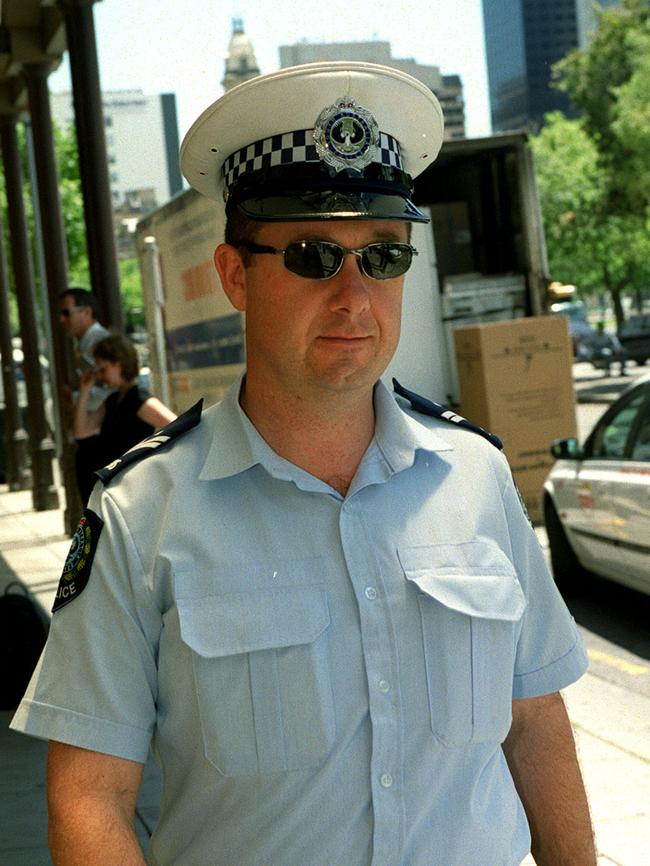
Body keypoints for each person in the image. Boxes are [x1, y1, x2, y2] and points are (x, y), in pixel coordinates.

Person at [12, 62, 596, 866]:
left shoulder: (475, 477)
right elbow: (89, 798)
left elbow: (533, 723)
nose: (355, 295)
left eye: (383, 257)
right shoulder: (139, 514)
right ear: (234, 275)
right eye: (314, 256)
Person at [73, 334, 177, 503]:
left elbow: (178, 426)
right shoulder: (113, 400)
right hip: (114, 487)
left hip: (130, 488)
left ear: (118, 364)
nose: (99, 375)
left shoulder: (140, 400)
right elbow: (81, 432)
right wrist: (84, 390)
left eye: (103, 369)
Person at [58, 288, 112, 501]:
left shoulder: (98, 341)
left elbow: (107, 390)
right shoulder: (88, 342)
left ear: (86, 312)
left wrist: (75, 397)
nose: (62, 319)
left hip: (100, 438)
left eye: (66, 312)